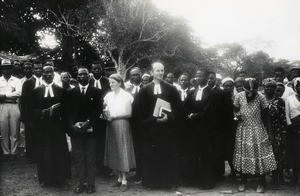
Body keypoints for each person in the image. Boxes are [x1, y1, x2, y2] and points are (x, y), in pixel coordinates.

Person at [139, 62, 182, 189]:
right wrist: (153, 119)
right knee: (152, 155)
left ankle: (166, 183)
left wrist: (168, 117)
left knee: (166, 154)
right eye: (157, 70)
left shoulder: (172, 89)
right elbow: (141, 110)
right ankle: (152, 183)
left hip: (167, 128)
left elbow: (178, 108)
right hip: (151, 128)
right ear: (152, 72)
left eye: (162, 70)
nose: (160, 73)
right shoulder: (144, 90)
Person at [27, 65, 70, 189]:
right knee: (43, 152)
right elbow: (30, 109)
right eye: (46, 72)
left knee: (59, 152)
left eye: (51, 72)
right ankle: (45, 179)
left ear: (54, 74)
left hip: (57, 126)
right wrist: (41, 112)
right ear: (43, 74)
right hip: (42, 127)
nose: (49, 74)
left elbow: (66, 109)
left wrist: (59, 112)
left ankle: (61, 180)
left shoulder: (60, 90)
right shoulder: (36, 91)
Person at [233, 79, 277, 193]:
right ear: (244, 89)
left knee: (259, 155)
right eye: (248, 91)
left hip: (257, 129)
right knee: (244, 153)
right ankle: (242, 181)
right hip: (243, 129)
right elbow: (235, 110)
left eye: (253, 91)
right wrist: (237, 116)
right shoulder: (238, 96)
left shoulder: (261, 97)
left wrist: (270, 133)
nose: (251, 93)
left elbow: (267, 116)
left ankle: (261, 182)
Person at [64, 67, 102, 194]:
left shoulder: (96, 91)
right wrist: (72, 125)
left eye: (84, 74)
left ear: (89, 76)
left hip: (91, 130)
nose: (82, 77)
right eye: (79, 75)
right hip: (76, 131)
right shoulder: (70, 92)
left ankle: (91, 184)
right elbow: (67, 112)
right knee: (79, 158)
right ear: (77, 76)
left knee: (91, 158)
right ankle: (81, 183)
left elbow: (98, 110)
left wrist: (88, 122)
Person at [183, 68, 217, 189]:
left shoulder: (212, 93)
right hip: (192, 128)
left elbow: (208, 111)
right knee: (193, 154)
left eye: (201, 76)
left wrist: (194, 116)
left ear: (207, 78)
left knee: (205, 156)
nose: (198, 78)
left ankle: (205, 183)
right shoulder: (192, 91)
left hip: (205, 128)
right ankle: (192, 180)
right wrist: (188, 115)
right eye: (197, 76)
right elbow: (185, 106)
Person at [103, 73, 136, 192]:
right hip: (111, 125)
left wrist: (114, 116)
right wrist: (106, 114)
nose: (111, 84)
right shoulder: (108, 96)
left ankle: (124, 180)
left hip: (122, 124)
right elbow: (106, 109)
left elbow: (128, 113)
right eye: (110, 82)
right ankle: (118, 178)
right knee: (114, 150)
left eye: (113, 82)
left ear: (119, 83)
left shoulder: (126, 95)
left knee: (122, 150)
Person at [263, 78, 286, 189]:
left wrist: (282, 133)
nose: (269, 88)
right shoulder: (260, 100)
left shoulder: (280, 101)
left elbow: (283, 118)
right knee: (262, 155)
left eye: (271, 86)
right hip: (262, 130)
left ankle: (276, 182)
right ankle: (262, 181)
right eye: (267, 86)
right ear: (264, 88)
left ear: (275, 88)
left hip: (276, 131)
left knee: (276, 155)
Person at [89, 61, 111, 176]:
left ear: (102, 69)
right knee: (93, 142)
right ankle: (95, 168)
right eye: (94, 69)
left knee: (103, 142)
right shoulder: (88, 81)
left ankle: (105, 168)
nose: (96, 70)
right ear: (91, 70)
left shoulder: (107, 81)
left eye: (98, 68)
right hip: (93, 116)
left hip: (105, 116)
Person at [21, 61, 43, 161]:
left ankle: (43, 154)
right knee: (31, 134)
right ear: (33, 70)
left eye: (40, 68)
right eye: (36, 68)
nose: (38, 70)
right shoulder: (28, 82)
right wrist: (25, 117)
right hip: (31, 113)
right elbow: (24, 101)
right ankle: (32, 156)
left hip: (43, 112)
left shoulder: (46, 81)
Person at [0, 59, 22, 160]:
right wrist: (9, 96)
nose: (6, 70)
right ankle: (5, 152)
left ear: (11, 69)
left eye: (8, 68)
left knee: (14, 130)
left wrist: (4, 95)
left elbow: (18, 94)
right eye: (4, 68)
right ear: (2, 69)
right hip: (2, 106)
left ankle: (14, 152)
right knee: (4, 130)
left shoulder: (17, 81)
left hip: (14, 105)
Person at [215, 77, 236, 180]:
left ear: (233, 86)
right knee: (225, 149)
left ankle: (234, 170)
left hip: (235, 126)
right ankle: (221, 172)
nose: (228, 87)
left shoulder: (237, 95)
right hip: (224, 126)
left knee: (233, 150)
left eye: (230, 86)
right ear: (223, 87)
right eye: (225, 86)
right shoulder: (221, 95)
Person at [125, 67, 143, 183]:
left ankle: (143, 172)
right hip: (131, 123)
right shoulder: (126, 89)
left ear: (140, 75)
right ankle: (137, 172)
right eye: (132, 75)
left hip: (144, 123)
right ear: (130, 77)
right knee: (134, 147)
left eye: (137, 75)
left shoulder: (146, 87)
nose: (135, 77)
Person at [285, 77, 300, 186]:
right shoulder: (289, 99)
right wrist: (292, 128)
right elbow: (287, 115)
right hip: (293, 129)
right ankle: (295, 177)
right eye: (298, 86)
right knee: (295, 154)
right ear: (295, 87)